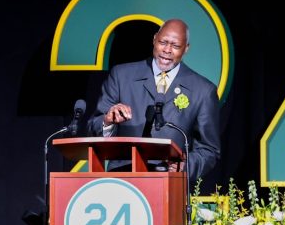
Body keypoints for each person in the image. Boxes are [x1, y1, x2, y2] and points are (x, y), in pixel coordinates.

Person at [87, 19, 220, 182]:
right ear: (154, 39)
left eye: (175, 46)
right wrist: (108, 121)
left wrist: (185, 165)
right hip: (122, 182)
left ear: (186, 49)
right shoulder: (122, 76)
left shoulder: (203, 90)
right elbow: (94, 126)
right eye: (163, 42)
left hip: (170, 186)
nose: (167, 50)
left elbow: (209, 150)